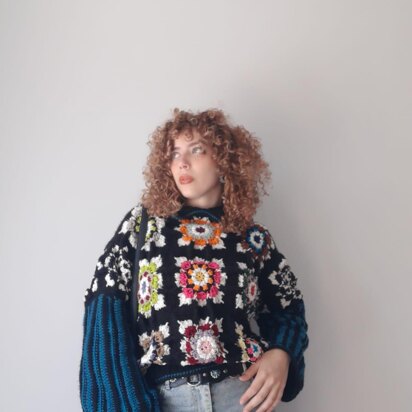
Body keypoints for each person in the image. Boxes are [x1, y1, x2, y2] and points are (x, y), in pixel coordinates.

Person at [79, 108, 309, 412]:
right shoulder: (143, 226)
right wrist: (127, 405)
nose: (182, 162)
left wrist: (281, 353)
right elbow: (104, 308)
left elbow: (288, 306)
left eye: (196, 149)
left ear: (223, 160)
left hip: (241, 396)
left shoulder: (252, 236)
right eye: (174, 153)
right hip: (167, 401)